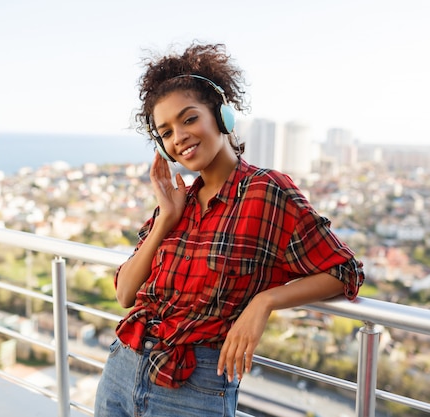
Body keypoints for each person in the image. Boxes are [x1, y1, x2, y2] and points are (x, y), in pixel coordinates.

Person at [94, 42, 365, 417]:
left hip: (193, 386)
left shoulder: (267, 190)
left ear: (223, 117)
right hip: (122, 369)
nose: (180, 137)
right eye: (167, 132)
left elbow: (344, 271)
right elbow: (125, 294)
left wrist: (265, 301)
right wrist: (164, 222)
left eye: (189, 119)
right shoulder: (178, 202)